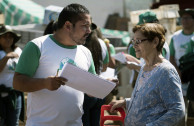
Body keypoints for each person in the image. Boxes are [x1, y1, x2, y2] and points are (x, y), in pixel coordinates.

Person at [13, 3, 96, 126]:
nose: (89, 31)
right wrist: (45, 83)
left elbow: (92, 88)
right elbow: (17, 83)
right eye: (84, 26)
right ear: (68, 25)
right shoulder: (37, 46)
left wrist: (107, 84)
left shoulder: (86, 52)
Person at [109, 23, 185, 126]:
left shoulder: (165, 71)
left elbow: (177, 111)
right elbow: (150, 100)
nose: (134, 45)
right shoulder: (145, 67)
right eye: (133, 41)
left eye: (138, 41)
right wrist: (126, 102)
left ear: (155, 42)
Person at [82, 26, 109, 126]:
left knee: (85, 122)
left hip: (86, 91)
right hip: (99, 89)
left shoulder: (81, 45)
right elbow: (105, 68)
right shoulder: (102, 43)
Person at [0, 24, 24, 126]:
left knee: (14, 123)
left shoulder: (18, 51)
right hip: (0, 94)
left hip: (15, 93)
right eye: (5, 36)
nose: (8, 39)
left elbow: (24, 70)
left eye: (11, 37)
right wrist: (6, 58)